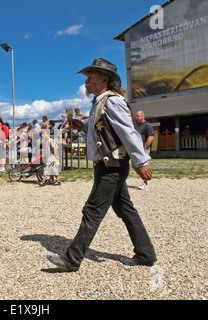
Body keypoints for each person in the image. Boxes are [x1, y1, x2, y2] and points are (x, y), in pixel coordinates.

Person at [47, 58, 156, 272]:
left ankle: (72, 258)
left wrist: (141, 161)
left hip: (111, 165)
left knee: (93, 210)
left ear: (104, 79)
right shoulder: (100, 102)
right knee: (126, 209)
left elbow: (129, 132)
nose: (86, 81)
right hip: (108, 164)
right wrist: (81, 127)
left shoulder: (112, 101)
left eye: (91, 77)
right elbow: (101, 130)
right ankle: (146, 254)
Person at [135, 110, 154, 189]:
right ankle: (144, 177)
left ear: (143, 116)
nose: (136, 117)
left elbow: (150, 137)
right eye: (136, 116)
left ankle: (146, 181)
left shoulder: (147, 125)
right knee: (134, 165)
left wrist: (145, 147)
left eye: (137, 116)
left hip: (144, 148)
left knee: (143, 164)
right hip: (136, 149)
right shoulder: (135, 125)